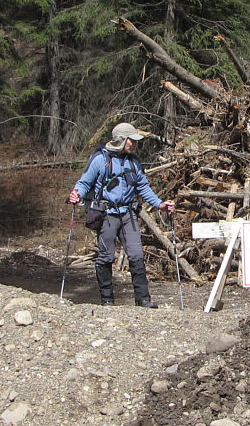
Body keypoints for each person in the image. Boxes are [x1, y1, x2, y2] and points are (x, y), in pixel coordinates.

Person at [69, 122, 175, 307]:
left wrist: (159, 204)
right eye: (131, 140)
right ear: (121, 140)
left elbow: (143, 187)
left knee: (136, 254)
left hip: (128, 214)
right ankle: (107, 300)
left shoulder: (134, 162)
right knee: (106, 256)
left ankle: (143, 299)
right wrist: (76, 193)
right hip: (106, 215)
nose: (134, 143)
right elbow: (84, 183)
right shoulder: (99, 159)